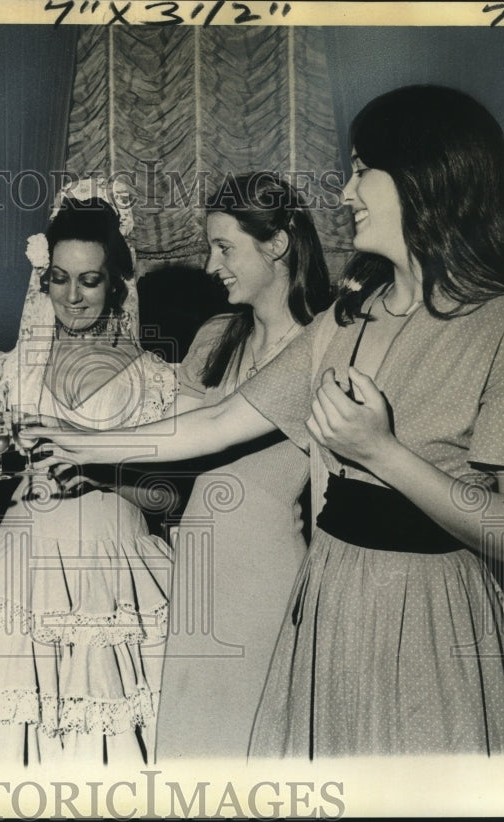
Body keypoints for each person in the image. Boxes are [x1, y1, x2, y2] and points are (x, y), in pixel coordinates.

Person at [36, 85, 504, 758]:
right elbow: (221, 420)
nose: (345, 192)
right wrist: (78, 442)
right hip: (330, 602)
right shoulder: (347, 317)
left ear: (422, 177)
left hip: (431, 614)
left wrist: (381, 451)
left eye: (359, 169)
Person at [0, 188, 178, 767]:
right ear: (43, 280)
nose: (73, 296)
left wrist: (99, 472)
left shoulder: (155, 379)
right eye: (59, 279)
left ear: (117, 284)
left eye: (90, 280)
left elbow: (167, 494)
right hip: (25, 565)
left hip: (116, 568)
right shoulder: (4, 372)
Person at [155, 172, 333, 760]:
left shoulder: (325, 347)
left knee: (254, 752)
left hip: (269, 580)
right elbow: (167, 440)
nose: (211, 266)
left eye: (224, 247)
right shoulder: (213, 337)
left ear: (277, 244)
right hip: (197, 573)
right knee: (188, 751)